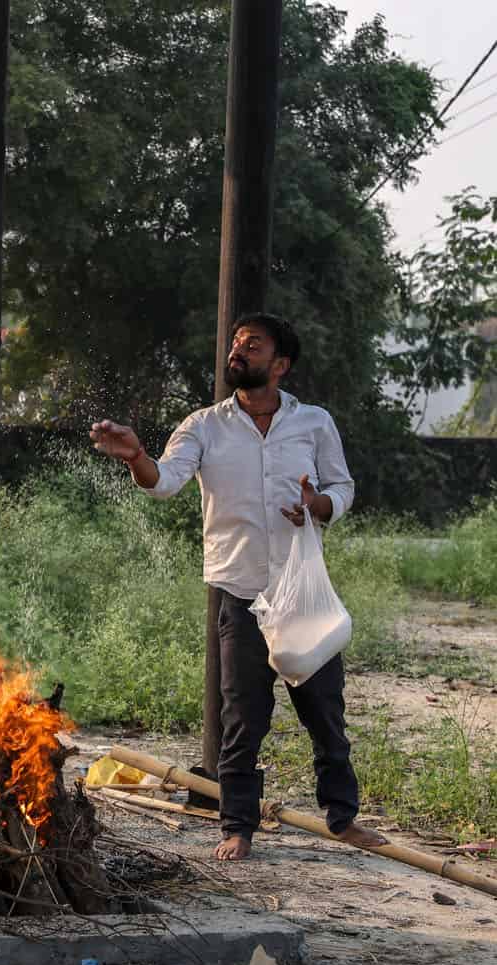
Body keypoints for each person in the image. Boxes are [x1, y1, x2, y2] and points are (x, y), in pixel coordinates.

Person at [88, 313, 387, 861]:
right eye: (235, 343)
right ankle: (238, 826)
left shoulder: (314, 423)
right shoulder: (204, 425)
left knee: (325, 712)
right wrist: (135, 456)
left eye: (252, 344)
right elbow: (165, 482)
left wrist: (317, 505)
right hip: (240, 592)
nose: (237, 350)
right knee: (242, 718)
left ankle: (343, 819)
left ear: (280, 365)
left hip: (301, 589)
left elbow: (341, 487)